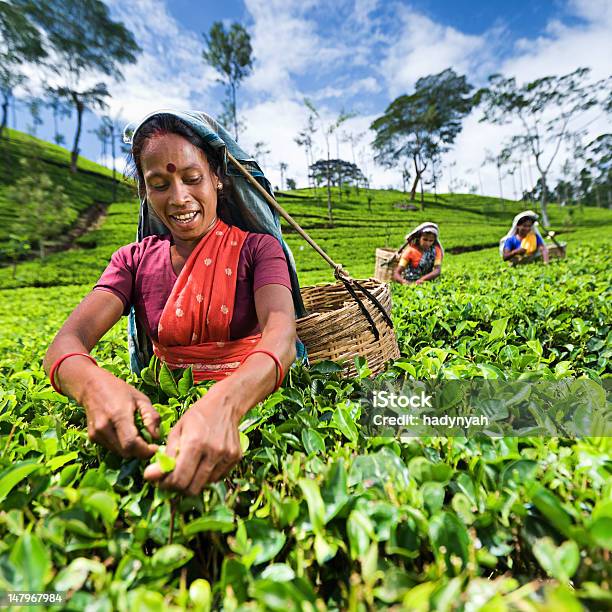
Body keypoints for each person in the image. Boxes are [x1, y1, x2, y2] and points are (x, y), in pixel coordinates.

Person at [43, 111, 302, 497]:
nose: (179, 198)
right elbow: (66, 343)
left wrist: (228, 405)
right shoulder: (131, 261)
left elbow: (281, 331)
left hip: (255, 411)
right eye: (159, 184)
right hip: (163, 420)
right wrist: (93, 385)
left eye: (192, 178)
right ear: (145, 193)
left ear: (216, 176)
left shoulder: (257, 249)